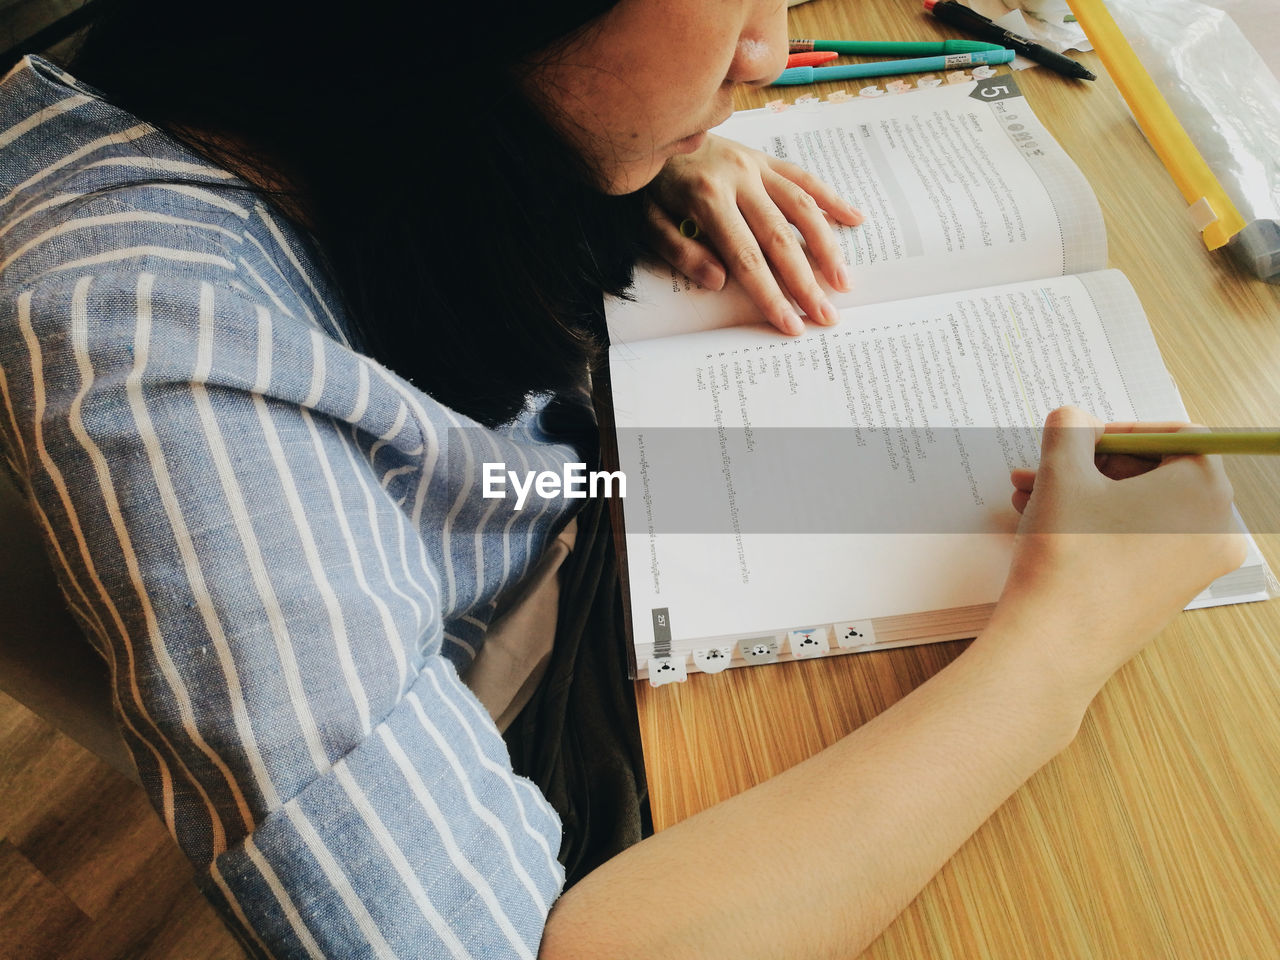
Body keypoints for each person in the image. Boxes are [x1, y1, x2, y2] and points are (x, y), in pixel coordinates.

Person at [0, 1, 1244, 958]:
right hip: (524, 675)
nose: (767, 50)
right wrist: (1062, 640)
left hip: (574, 485)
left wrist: (625, 161)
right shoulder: (152, 336)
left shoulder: (346, 92)